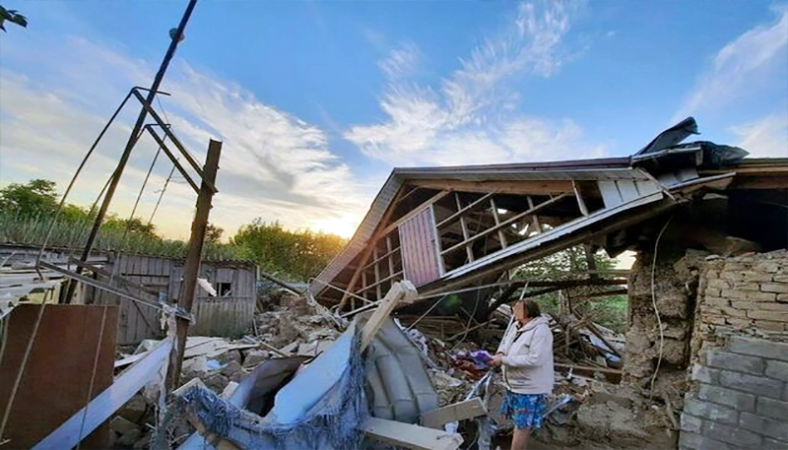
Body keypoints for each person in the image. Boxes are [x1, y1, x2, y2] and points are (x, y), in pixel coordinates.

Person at [490, 299, 554, 450]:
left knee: (522, 426)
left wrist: (504, 359)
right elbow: (506, 343)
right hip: (514, 383)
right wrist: (499, 354)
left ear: (528, 312)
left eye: (518, 309)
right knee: (518, 422)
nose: (513, 311)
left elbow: (536, 359)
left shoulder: (541, 331)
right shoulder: (515, 325)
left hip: (529, 387)